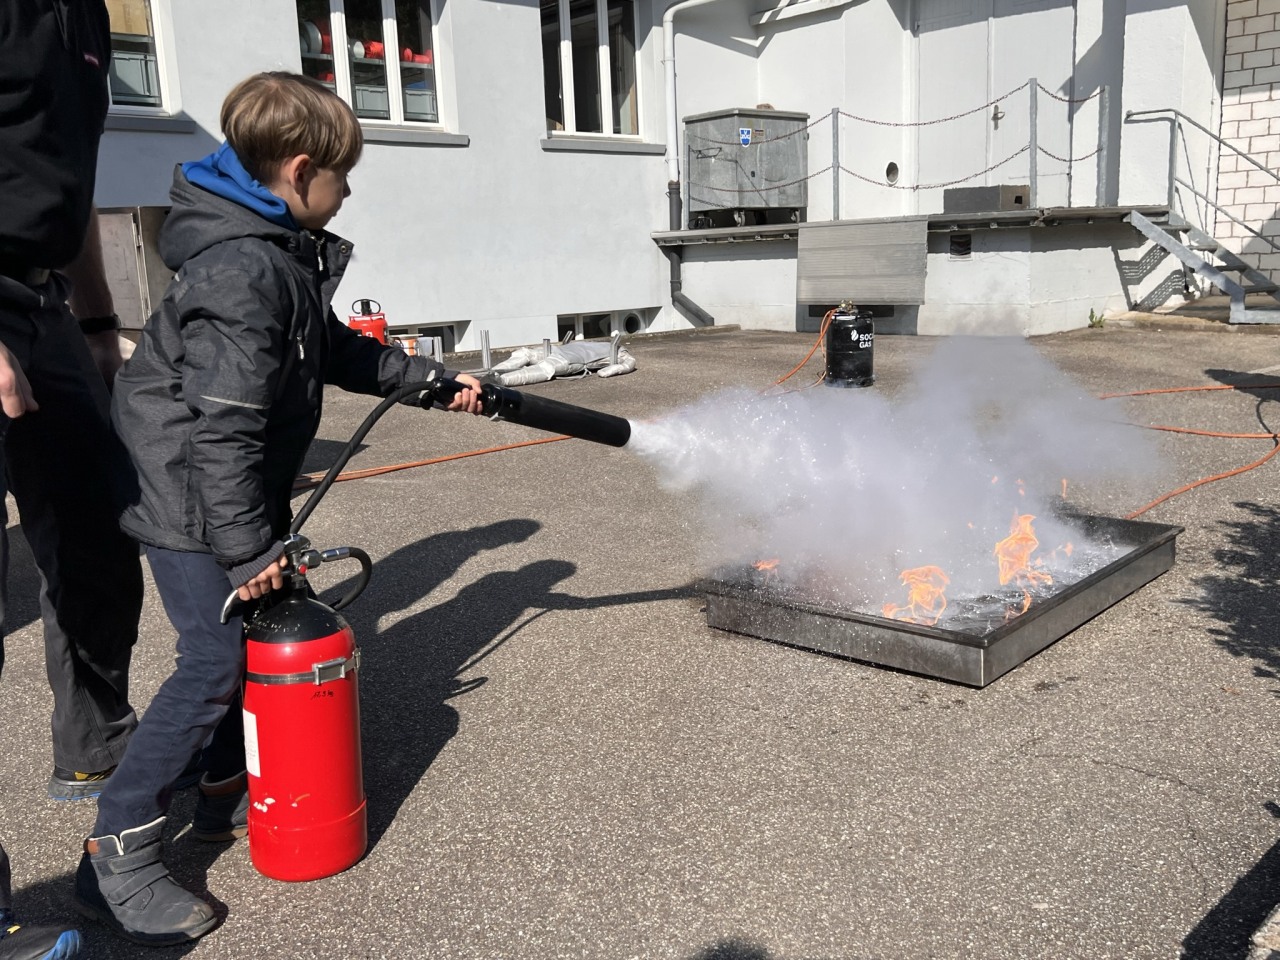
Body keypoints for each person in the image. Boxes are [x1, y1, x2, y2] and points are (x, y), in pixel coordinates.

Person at [73, 71, 486, 946]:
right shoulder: (243, 269)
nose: (348, 193)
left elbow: (331, 349)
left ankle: (224, 787)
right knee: (214, 660)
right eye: (342, 177)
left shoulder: (272, 249)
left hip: (217, 490)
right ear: (300, 171)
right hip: (191, 493)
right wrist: (246, 546)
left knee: (247, 639)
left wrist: (428, 380)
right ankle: (117, 849)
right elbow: (222, 428)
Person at [1, 2, 148, 957]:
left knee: (100, 528)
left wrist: (96, 323)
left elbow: (72, 181)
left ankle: (96, 757)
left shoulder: (84, 13)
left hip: (43, 301)